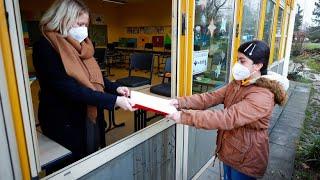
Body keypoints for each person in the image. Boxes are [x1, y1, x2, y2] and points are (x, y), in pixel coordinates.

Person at [168, 40, 289, 179]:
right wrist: (180, 102)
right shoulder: (240, 82)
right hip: (231, 149)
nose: (237, 65)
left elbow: (227, 118)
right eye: (237, 60)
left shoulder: (262, 95)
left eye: (242, 61)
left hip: (247, 157)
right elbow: (211, 97)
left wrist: (183, 117)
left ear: (258, 66)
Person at [33, 0, 134, 161]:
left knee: (91, 155)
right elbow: (70, 89)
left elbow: (95, 77)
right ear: (63, 19)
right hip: (65, 119)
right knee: (71, 164)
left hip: (89, 112)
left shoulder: (83, 46)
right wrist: (114, 100)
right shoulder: (46, 46)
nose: (83, 30)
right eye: (79, 24)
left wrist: (115, 88)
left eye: (86, 25)